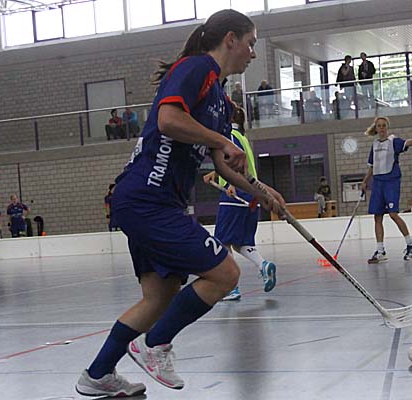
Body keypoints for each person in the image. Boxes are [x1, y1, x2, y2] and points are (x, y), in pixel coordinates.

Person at [76, 10, 285, 397]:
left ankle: (98, 374)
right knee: (225, 273)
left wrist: (262, 192)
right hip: (146, 197)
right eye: (251, 43)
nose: (253, 53)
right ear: (230, 39)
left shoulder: (221, 99)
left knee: (158, 298)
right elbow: (168, 119)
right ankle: (156, 344)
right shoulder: (196, 68)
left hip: (157, 203)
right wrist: (221, 141)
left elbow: (223, 164)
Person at [202, 107, 277, 301]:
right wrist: (216, 173)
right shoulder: (242, 137)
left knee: (222, 241)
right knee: (241, 243)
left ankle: (231, 288)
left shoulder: (229, 136)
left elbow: (233, 163)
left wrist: (230, 184)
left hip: (235, 195)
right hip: (251, 195)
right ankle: (263, 265)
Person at [360, 117, 412, 264]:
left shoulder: (393, 141)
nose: (381, 128)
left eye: (384, 125)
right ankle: (380, 251)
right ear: (376, 128)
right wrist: (365, 181)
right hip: (378, 182)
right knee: (377, 217)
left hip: (391, 181)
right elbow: (372, 166)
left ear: (387, 127)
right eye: (379, 126)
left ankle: (410, 244)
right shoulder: (374, 145)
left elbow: (406, 143)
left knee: (393, 214)